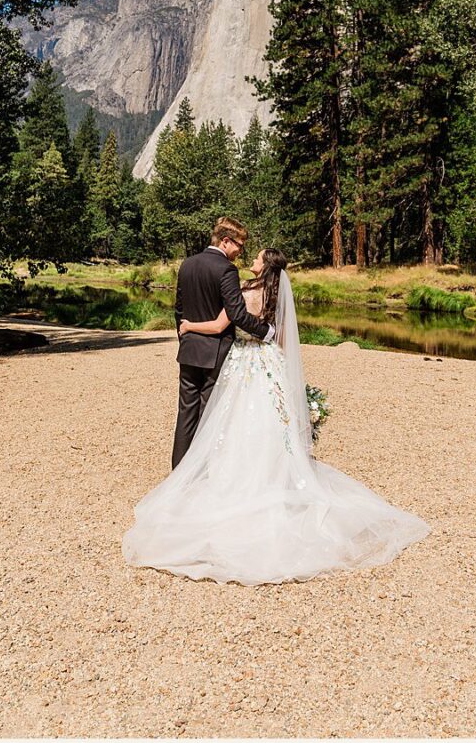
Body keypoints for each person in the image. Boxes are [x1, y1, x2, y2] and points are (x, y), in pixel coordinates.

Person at [122, 242, 430, 585]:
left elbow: (228, 320)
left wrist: (189, 326)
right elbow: (282, 337)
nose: (250, 258)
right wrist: (280, 366)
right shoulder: (278, 293)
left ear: (265, 265)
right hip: (267, 361)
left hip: (241, 361)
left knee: (229, 420)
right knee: (268, 422)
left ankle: (227, 480)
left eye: (256, 257)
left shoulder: (243, 289)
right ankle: (272, 476)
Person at [167, 217, 276, 469]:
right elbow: (237, 314)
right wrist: (267, 332)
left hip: (189, 349)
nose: (240, 251)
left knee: (185, 413)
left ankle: (179, 472)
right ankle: (202, 472)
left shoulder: (188, 264)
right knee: (209, 416)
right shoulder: (226, 269)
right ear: (226, 241)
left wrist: (184, 337)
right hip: (215, 351)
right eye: (239, 245)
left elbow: (179, 310)